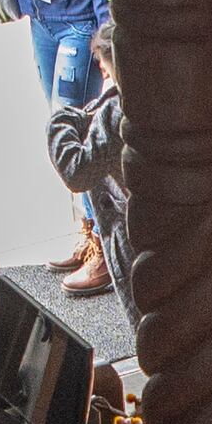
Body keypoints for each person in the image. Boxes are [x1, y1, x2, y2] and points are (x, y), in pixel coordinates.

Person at [46, 23, 130, 300]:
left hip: (142, 245)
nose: (102, 73)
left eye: (105, 67)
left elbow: (77, 171)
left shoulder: (116, 113)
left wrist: (60, 122)